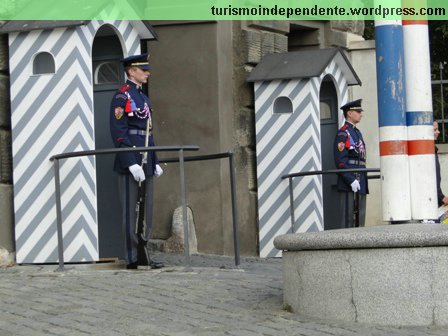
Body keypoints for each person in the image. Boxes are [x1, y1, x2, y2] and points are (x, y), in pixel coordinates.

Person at [110, 53, 164, 269]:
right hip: (131, 160)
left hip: (147, 158)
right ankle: (132, 257)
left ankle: (144, 253)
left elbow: (149, 133)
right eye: (143, 69)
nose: (147, 73)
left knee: (146, 211)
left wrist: (155, 160)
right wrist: (130, 161)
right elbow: (118, 131)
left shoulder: (143, 97)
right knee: (130, 212)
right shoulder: (121, 97)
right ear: (131, 71)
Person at [333, 99, 368, 228]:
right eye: (358, 111)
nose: (360, 114)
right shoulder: (343, 133)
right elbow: (340, 161)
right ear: (349, 113)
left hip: (361, 177)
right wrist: (350, 179)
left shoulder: (357, 132)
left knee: (360, 217)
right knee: (348, 220)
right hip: (350, 179)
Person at [434, 121, 448, 207]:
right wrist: (441, 197)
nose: (438, 132)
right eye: (435, 129)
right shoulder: (429, 152)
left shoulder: (432, 149)